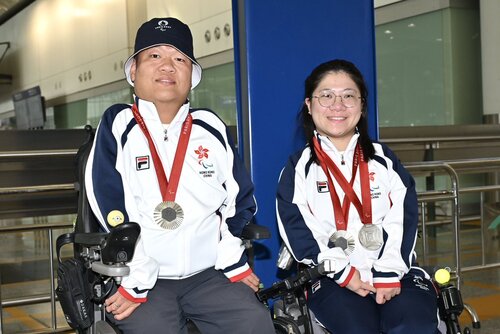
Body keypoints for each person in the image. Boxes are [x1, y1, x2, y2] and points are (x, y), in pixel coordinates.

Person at [85, 17, 275, 333]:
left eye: (179, 59)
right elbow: (108, 201)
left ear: (192, 76)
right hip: (143, 276)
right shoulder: (118, 124)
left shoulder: (209, 127)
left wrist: (232, 260)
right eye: (154, 56)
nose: (167, 67)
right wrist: (136, 277)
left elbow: (239, 201)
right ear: (133, 71)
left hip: (208, 274)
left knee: (255, 322)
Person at [276, 59, 440, 333]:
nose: (337, 105)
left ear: (362, 106)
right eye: (326, 95)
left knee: (413, 324)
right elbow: (299, 231)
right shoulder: (299, 169)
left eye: (348, 96)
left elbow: (404, 217)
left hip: (394, 270)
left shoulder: (384, 160)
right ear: (309, 105)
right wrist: (344, 272)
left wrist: (388, 271)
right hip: (332, 277)